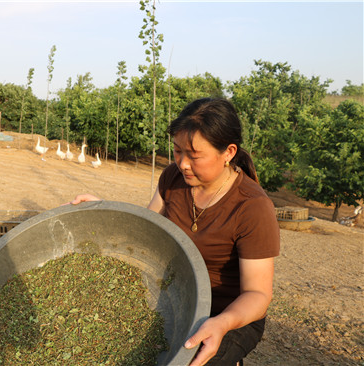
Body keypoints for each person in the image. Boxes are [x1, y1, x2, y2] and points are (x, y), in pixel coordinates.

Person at [70, 97, 280, 366]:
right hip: (173, 298)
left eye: (194, 155)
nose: (182, 164)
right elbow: (146, 230)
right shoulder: (172, 178)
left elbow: (258, 295)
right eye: (177, 151)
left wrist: (221, 324)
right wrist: (104, 208)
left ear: (228, 152)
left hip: (225, 313)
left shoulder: (253, 207)